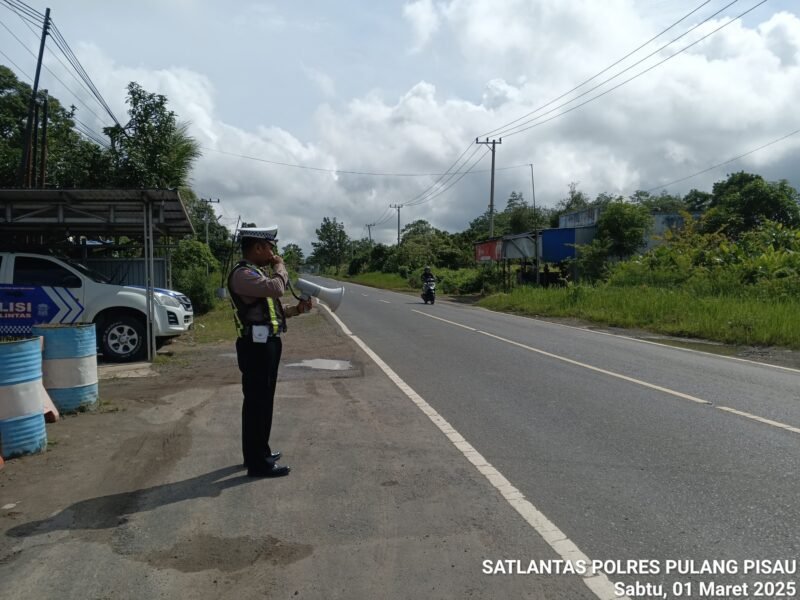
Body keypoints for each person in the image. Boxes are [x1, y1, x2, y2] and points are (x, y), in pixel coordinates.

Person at [227, 226, 313, 478]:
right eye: (270, 247)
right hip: (256, 347)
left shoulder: (254, 275)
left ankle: (256, 453)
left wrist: (297, 310)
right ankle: (259, 463)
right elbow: (277, 288)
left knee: (261, 403)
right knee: (258, 403)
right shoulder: (243, 275)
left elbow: (272, 310)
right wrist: (280, 267)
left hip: (266, 344)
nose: (273, 252)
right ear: (257, 248)